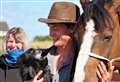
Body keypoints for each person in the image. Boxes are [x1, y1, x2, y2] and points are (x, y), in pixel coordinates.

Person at [32, 2, 114, 82]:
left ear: (72, 28)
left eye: (56, 28)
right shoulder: (37, 59)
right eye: (50, 27)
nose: (51, 33)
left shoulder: (83, 61)